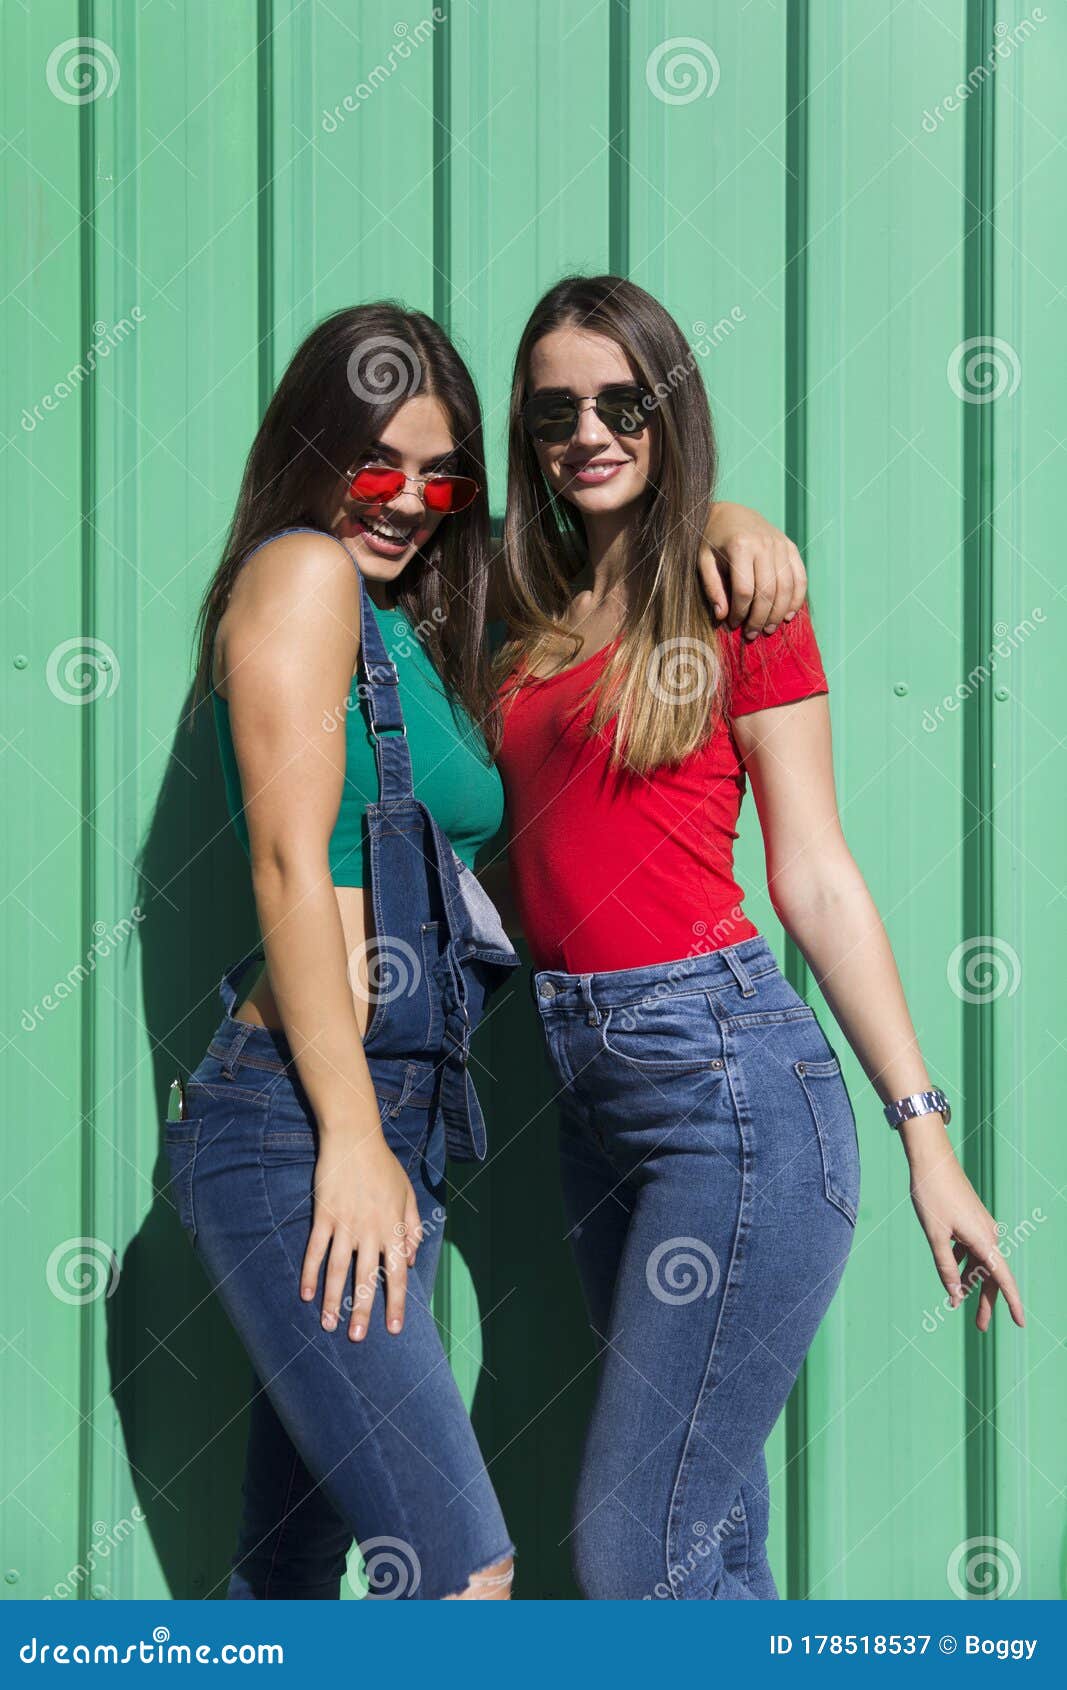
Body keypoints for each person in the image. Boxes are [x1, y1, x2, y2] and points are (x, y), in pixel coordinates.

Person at [165, 300, 798, 1600]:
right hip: (302, 1118)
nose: (407, 500)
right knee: (462, 1567)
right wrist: (349, 1136)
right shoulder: (305, 573)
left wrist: (727, 525)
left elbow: (607, 540)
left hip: (382, 1118)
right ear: (312, 451)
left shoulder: (410, 616)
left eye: (441, 474)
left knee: (285, 1571)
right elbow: (289, 863)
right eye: (376, 464)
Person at [492, 274, 1025, 1601]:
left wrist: (927, 1138)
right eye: (558, 411)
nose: (591, 431)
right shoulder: (524, 624)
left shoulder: (738, 600)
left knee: (633, 1545)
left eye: (624, 402)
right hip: (590, 1098)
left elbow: (818, 876)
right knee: (709, 1533)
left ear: (673, 411)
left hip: (729, 1089)